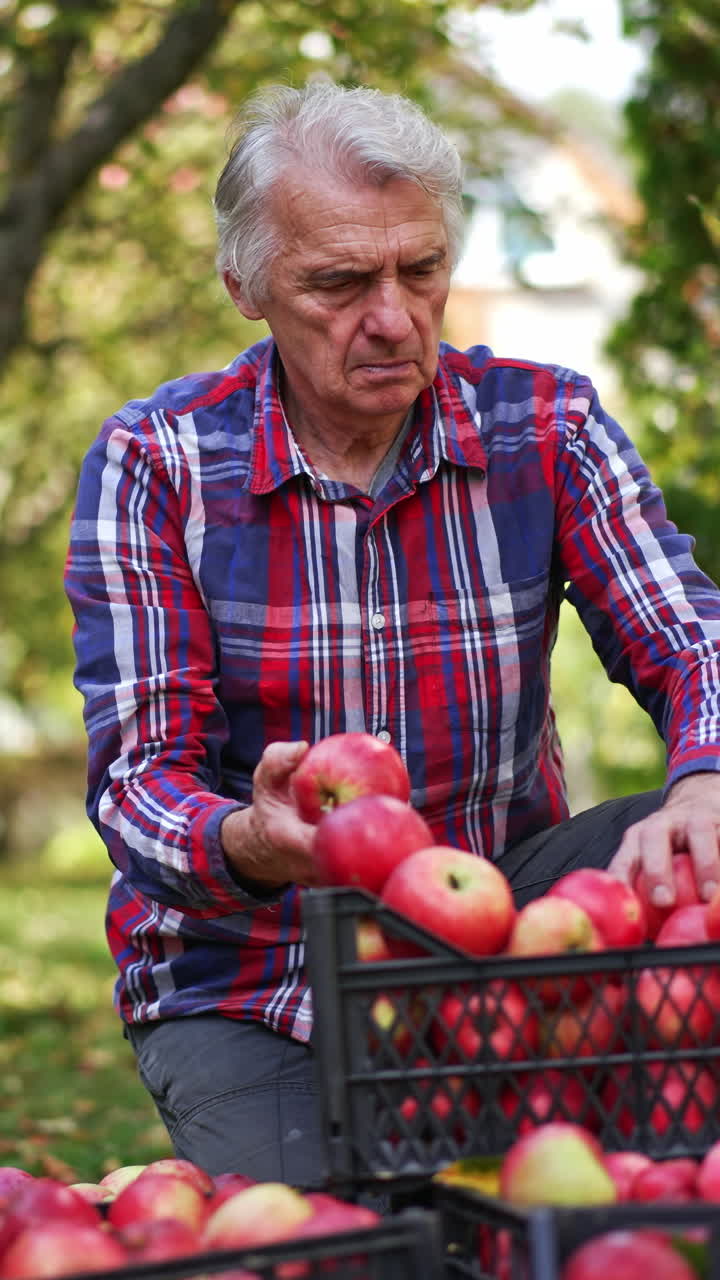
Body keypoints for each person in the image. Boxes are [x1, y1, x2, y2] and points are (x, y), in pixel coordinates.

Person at [64, 80, 720, 1184]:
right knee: (356, 1244)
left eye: (421, 270)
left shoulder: (544, 423)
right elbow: (138, 784)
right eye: (339, 281)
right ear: (245, 285)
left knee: (694, 835)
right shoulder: (157, 463)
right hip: (255, 974)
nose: (394, 316)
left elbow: (695, 640)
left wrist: (707, 780)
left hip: (500, 917)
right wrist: (253, 839)